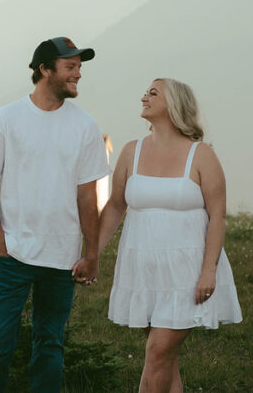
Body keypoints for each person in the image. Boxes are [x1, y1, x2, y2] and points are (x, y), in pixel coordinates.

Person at [0, 36, 112, 392]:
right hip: (11, 255)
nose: (78, 74)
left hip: (61, 258)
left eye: (79, 67)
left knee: (50, 347)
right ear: (45, 70)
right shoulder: (7, 118)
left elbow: (86, 196)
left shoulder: (85, 127)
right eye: (70, 67)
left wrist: (91, 253)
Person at [98, 78, 242, 392]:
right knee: (165, 361)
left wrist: (208, 270)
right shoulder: (131, 151)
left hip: (187, 273)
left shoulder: (201, 155)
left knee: (157, 351)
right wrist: (91, 253)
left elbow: (218, 216)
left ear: (174, 105)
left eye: (153, 93)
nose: (144, 97)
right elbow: (115, 206)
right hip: (144, 270)